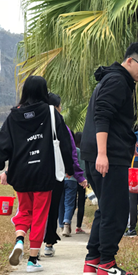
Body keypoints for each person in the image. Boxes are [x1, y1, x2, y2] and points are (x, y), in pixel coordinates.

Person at [0, 76, 74, 272]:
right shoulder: (51, 113)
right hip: (44, 173)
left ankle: (19, 239)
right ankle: (32, 260)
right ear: (44, 91)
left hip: (21, 173)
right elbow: (65, 144)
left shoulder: (14, 116)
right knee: (40, 214)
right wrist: (69, 169)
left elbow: (1, 145)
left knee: (24, 210)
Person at [80, 41, 138, 275]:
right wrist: (103, 154)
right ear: (130, 61)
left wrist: (128, 140)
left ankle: (92, 261)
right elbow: (102, 116)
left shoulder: (115, 79)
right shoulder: (117, 81)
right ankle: (106, 264)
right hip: (108, 158)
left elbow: (115, 120)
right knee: (117, 211)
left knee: (107, 208)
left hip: (104, 153)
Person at [43, 93, 86, 256]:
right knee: (54, 207)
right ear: (56, 107)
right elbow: (70, 151)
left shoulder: (31, 121)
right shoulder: (60, 125)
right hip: (56, 174)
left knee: (38, 210)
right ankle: (49, 243)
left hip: (34, 174)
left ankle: (32, 245)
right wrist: (76, 174)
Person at [73, 132, 87, 234]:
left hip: (73, 179)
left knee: (72, 202)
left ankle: (67, 222)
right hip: (83, 180)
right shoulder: (84, 152)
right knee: (81, 203)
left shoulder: (73, 151)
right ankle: (78, 226)